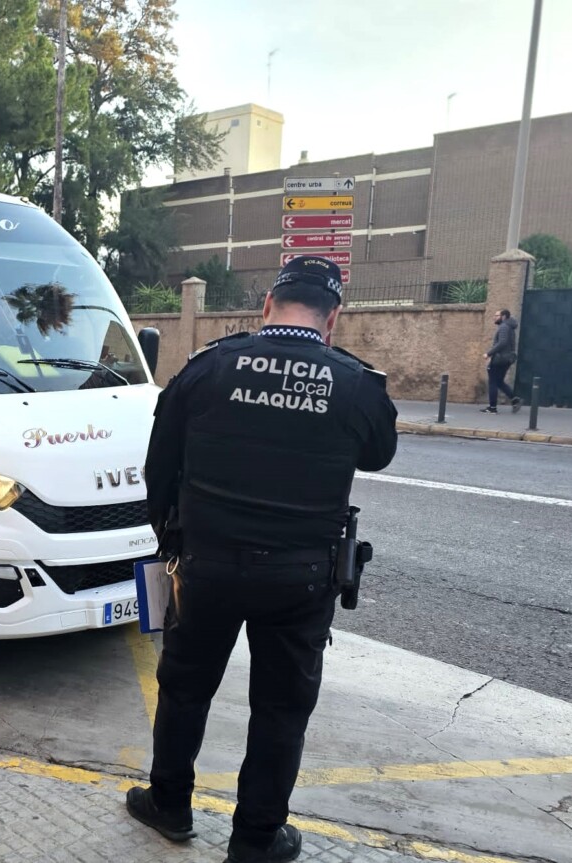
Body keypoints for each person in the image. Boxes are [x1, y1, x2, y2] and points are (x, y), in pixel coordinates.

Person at [126, 255, 398, 863]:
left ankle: (169, 805)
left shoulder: (206, 370)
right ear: (333, 320)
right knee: (279, 710)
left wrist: (172, 543)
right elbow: (380, 453)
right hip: (301, 580)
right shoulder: (353, 383)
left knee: (184, 690)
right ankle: (255, 840)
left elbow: (158, 470)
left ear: (267, 306)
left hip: (207, 568)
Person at [482, 308, 520, 413]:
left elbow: (502, 342)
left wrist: (489, 353)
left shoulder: (504, 327)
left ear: (503, 317)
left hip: (500, 359)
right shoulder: (510, 327)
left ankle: (492, 408)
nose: (494, 317)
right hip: (507, 358)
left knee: (493, 382)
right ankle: (515, 399)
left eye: (496, 316)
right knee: (499, 381)